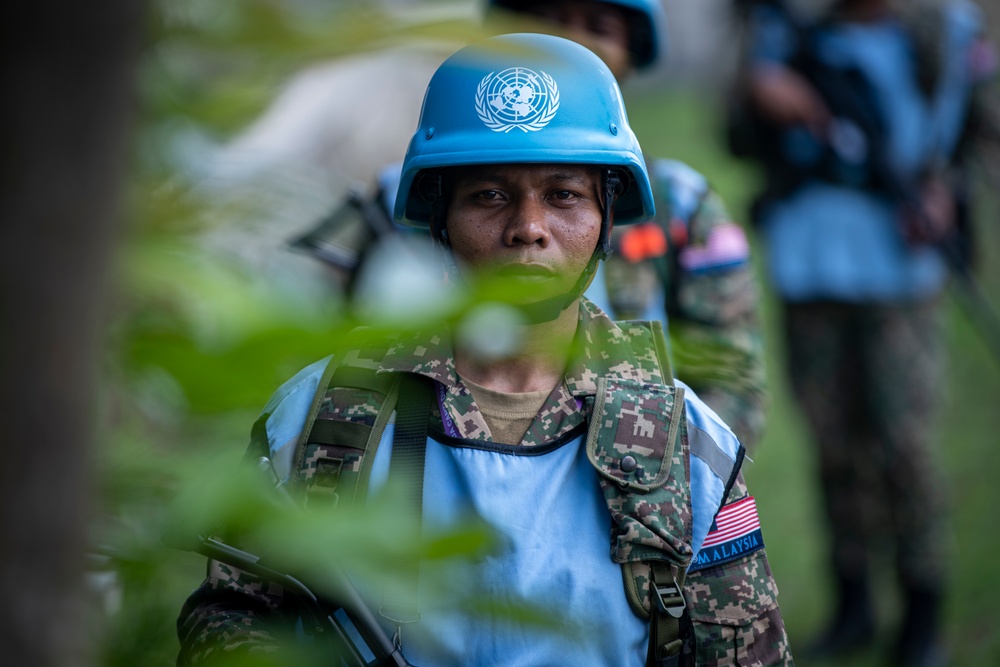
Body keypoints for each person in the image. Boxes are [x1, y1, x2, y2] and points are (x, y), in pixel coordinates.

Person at [176, 33, 794, 666]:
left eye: (565, 196)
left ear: (608, 218)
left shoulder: (686, 440)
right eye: (489, 196)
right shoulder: (317, 417)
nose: (528, 227)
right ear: (438, 217)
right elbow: (229, 616)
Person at [301, 0, 770, 451]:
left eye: (598, 27)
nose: (569, 40)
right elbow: (355, 351)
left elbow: (730, 374)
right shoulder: (408, 195)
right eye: (546, 18)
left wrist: (663, 475)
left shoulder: (678, 204)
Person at [727, 0, 999, 665]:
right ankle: (854, 602)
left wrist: (945, 191)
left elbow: (978, 137)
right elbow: (736, 130)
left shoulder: (945, 32)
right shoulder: (781, 29)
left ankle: (922, 610)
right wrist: (759, 90)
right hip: (809, 265)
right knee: (833, 442)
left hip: (900, 277)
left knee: (902, 445)